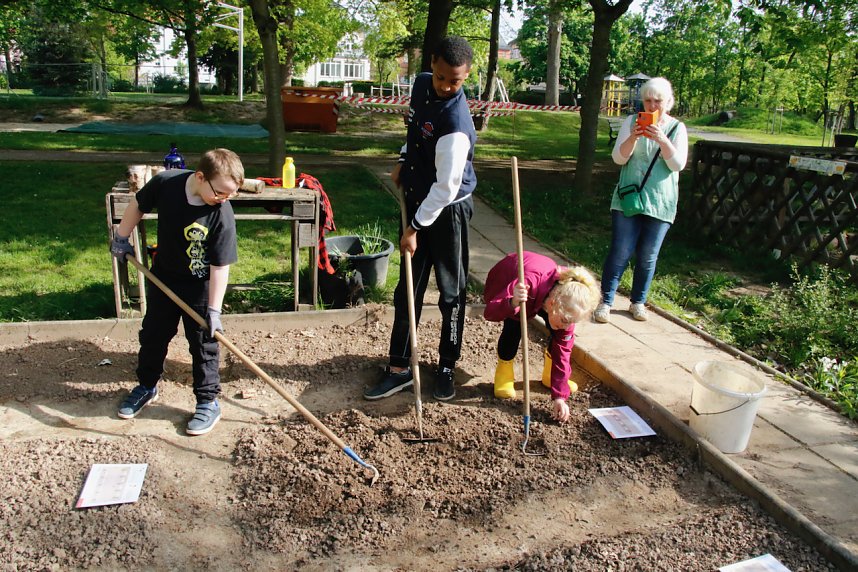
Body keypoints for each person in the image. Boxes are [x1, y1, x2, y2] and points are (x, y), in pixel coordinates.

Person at [363, 35, 477, 402]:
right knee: (407, 289)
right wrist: (403, 159)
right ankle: (399, 368)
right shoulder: (422, 84)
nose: (445, 86)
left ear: (467, 75)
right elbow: (414, 131)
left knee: (451, 292)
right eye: (441, 77)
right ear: (432, 65)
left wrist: (414, 228)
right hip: (417, 197)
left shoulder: (456, 125)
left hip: (448, 209)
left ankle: (446, 366)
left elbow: (445, 188)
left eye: (455, 81)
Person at [110, 148, 244, 436]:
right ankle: (147, 386)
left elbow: (220, 266)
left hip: (200, 286)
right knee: (153, 334)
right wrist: (121, 236)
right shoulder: (166, 183)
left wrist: (214, 310)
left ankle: (208, 401)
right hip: (164, 278)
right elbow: (138, 204)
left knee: (203, 343)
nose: (224, 198)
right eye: (220, 192)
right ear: (200, 177)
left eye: (230, 194)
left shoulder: (221, 213)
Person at [594, 77, 688, 324]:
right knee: (620, 251)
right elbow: (618, 159)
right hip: (628, 198)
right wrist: (633, 137)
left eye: (658, 101)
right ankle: (605, 301)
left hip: (660, 201)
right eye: (648, 100)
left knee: (648, 256)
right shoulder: (631, 122)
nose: (652, 106)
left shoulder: (677, 128)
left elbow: (677, 164)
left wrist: (662, 139)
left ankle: (638, 302)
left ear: (668, 102)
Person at [483, 252, 600, 423]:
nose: (567, 326)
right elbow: (490, 313)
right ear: (552, 304)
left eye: (572, 322)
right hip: (511, 276)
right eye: (565, 320)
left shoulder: (570, 297)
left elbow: (563, 351)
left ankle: (549, 377)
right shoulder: (526, 283)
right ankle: (504, 374)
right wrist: (512, 302)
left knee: (560, 336)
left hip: (545, 293)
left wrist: (560, 397)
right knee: (513, 328)